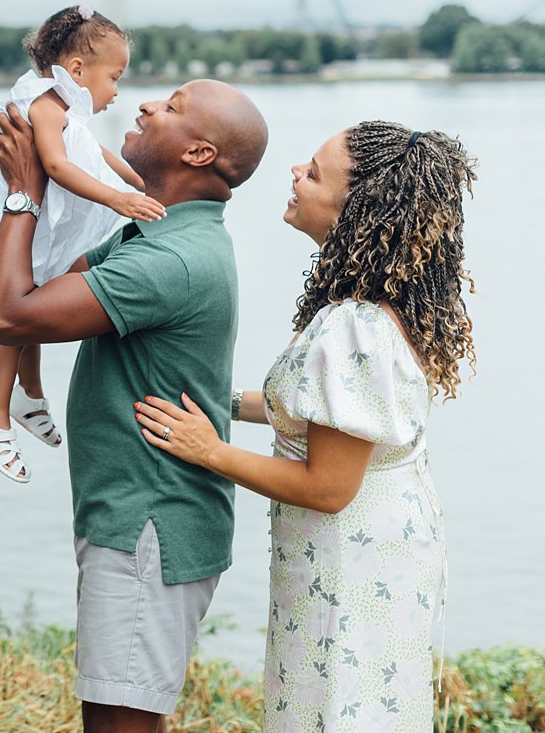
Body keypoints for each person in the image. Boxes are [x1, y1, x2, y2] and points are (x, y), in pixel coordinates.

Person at [132, 121, 475, 733]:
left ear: (359, 209)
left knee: (336, 703)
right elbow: (324, 409)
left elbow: (327, 485)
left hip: (354, 556)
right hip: (376, 541)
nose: (294, 172)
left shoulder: (356, 326)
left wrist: (208, 450)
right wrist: (223, 403)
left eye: (314, 173)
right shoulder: (370, 308)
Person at [0, 79, 269, 732]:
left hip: (148, 528)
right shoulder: (153, 234)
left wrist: (23, 189)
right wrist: (61, 171)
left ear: (198, 153)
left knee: (118, 726)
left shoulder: (172, 260)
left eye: (169, 107)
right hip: (137, 518)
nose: (143, 105)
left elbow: (4, 314)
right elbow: (45, 286)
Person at [0, 5, 166, 483]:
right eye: (114, 77)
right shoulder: (43, 104)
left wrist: (142, 184)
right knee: (13, 321)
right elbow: (56, 167)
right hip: (15, 213)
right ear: (77, 71)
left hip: (38, 221)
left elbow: (96, 155)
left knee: (33, 301)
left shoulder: (62, 109)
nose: (118, 91)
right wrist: (118, 200)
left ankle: (27, 394)